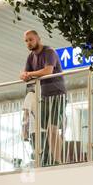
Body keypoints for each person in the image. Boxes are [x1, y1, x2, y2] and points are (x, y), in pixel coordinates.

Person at [21, 29, 66, 165]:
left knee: (52, 129)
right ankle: (53, 159)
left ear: (38, 39)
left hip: (57, 94)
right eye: (26, 41)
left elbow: (48, 70)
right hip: (44, 96)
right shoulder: (30, 57)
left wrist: (29, 74)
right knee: (48, 130)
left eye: (31, 39)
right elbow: (24, 73)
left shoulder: (49, 51)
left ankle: (58, 160)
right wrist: (24, 75)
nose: (28, 43)